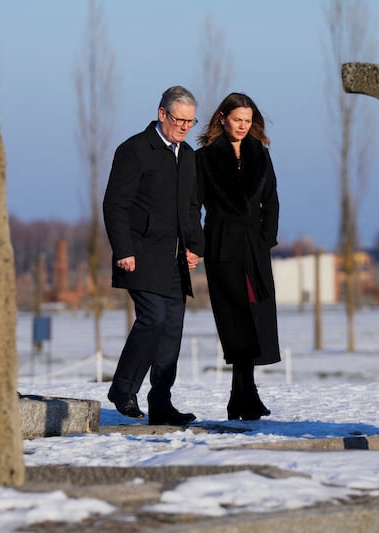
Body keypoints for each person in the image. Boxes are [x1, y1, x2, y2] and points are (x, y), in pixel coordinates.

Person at [102, 86, 204, 425]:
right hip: (141, 255)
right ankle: (122, 389)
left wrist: (194, 245)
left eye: (190, 121)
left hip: (175, 261)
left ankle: (161, 404)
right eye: (179, 119)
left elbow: (191, 208)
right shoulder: (134, 150)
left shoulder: (187, 156)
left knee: (171, 332)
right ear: (162, 114)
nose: (185, 127)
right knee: (153, 319)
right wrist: (124, 250)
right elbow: (115, 204)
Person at [196, 92, 280, 421]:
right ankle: (244, 395)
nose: (243, 126)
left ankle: (242, 395)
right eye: (237, 120)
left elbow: (272, 200)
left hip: (254, 247)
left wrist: (265, 238)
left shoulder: (261, 153)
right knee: (235, 319)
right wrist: (197, 242)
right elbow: (194, 205)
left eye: (248, 121)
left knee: (256, 317)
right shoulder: (204, 157)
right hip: (222, 245)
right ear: (223, 119)